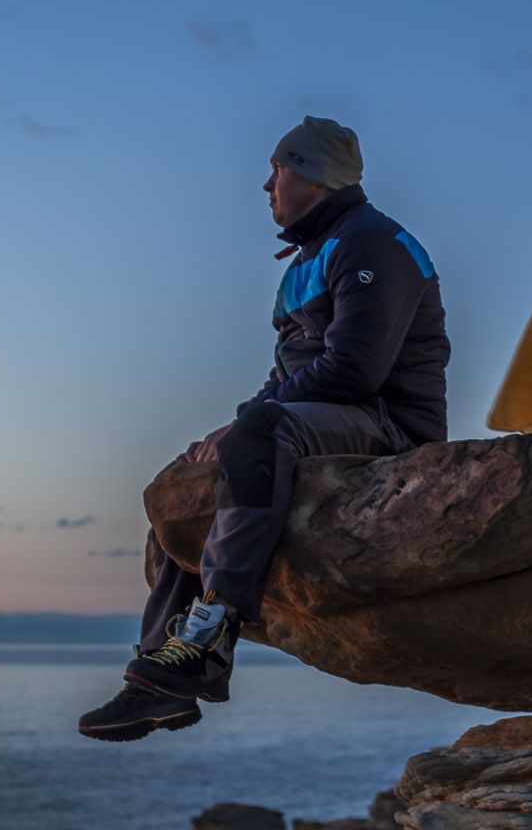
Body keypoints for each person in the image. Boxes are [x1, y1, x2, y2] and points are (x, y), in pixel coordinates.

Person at [79, 115, 450, 742]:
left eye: (277, 168)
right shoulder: (312, 253)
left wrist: (250, 423)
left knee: (254, 436)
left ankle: (213, 628)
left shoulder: (373, 242)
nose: (266, 184)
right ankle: (157, 678)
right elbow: (292, 373)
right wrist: (232, 426)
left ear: (311, 173)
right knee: (195, 477)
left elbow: (355, 370)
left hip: (389, 423)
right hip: (331, 415)